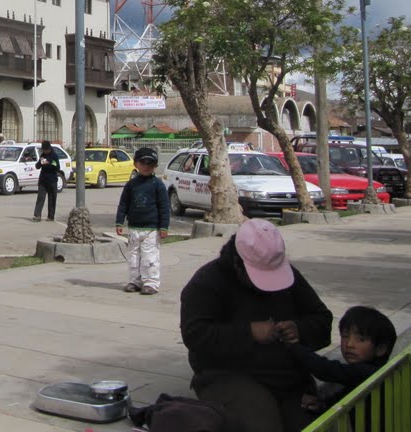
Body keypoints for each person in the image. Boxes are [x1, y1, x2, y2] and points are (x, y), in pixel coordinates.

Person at [180, 219, 333, 432]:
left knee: (312, 425)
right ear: (238, 264)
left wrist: (300, 329)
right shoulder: (207, 282)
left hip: (289, 377)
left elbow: (322, 319)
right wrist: (249, 333)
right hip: (229, 375)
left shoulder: (290, 277)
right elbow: (195, 335)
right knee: (262, 425)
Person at [290, 305, 396, 416]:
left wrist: (294, 347)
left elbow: (325, 369)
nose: (349, 344)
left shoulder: (366, 372)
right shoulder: (375, 371)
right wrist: (322, 405)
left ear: (380, 349)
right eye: (345, 336)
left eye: (361, 339)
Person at [114, 146, 170, 295]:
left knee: (149, 257)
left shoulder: (157, 185)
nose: (146, 166)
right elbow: (123, 204)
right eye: (143, 163)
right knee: (133, 256)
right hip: (134, 228)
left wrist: (164, 227)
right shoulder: (131, 185)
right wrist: (119, 222)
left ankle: (151, 283)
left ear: (155, 166)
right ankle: (135, 281)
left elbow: (164, 207)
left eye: (150, 164)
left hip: (151, 229)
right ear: (135, 164)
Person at [32, 140, 61, 222]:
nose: (45, 151)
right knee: (40, 197)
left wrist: (48, 163)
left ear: (49, 148)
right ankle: (37, 215)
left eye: (46, 150)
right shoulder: (43, 155)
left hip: (52, 180)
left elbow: (57, 167)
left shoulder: (54, 156)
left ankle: (51, 216)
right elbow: (37, 166)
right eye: (43, 150)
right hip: (43, 180)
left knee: (52, 198)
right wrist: (41, 162)